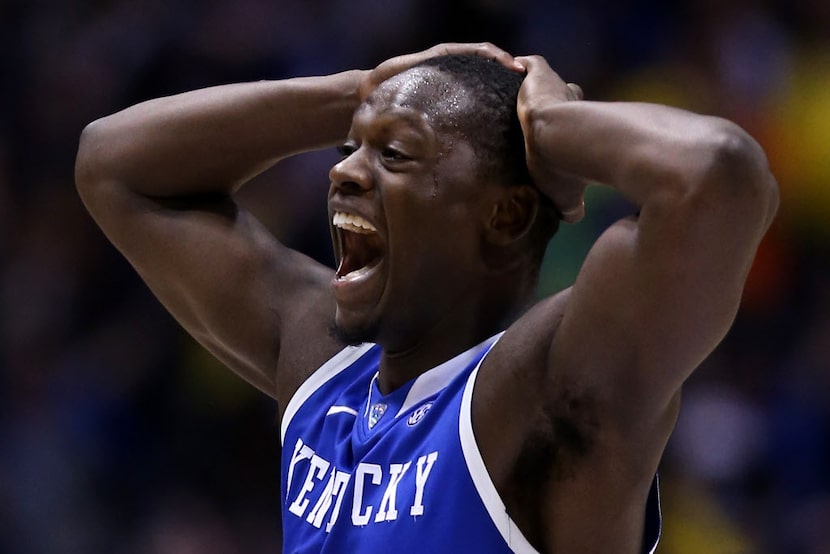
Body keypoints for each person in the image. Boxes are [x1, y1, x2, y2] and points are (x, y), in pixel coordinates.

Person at [74, 42, 779, 553]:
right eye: (350, 149)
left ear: (502, 217)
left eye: (395, 155)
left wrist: (551, 129)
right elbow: (113, 163)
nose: (343, 173)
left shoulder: (541, 389)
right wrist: (360, 93)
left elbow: (718, 175)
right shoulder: (324, 365)